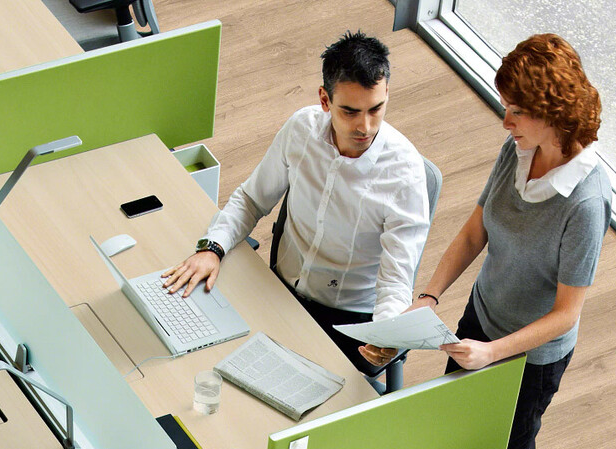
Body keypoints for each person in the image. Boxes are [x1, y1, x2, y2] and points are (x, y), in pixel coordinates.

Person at [401, 33, 609, 449]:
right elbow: (477, 230)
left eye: (516, 111)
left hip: (528, 359)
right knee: (456, 431)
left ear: (551, 111)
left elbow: (566, 314)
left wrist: (492, 352)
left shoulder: (584, 204)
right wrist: (429, 296)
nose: (505, 121)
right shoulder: (517, 151)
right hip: (482, 320)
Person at [160, 31, 429, 379]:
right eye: (349, 111)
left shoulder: (404, 174)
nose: (365, 126)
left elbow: (396, 280)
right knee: (199, 353)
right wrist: (212, 247)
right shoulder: (300, 129)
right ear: (324, 99)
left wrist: (386, 332)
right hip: (278, 291)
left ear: (387, 93)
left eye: (375, 109)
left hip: (349, 323)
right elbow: (252, 199)